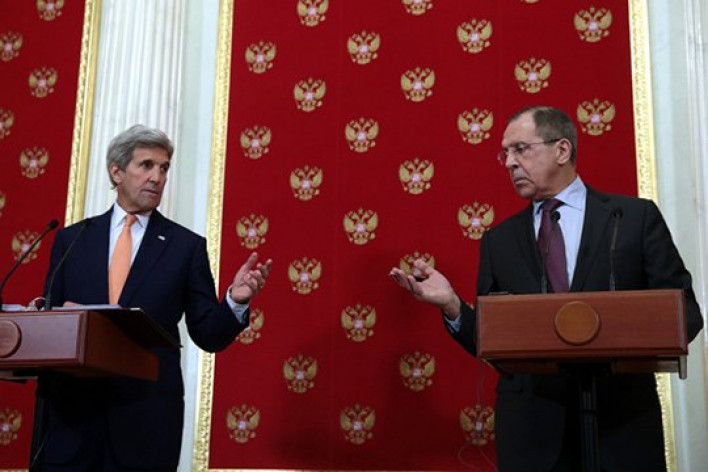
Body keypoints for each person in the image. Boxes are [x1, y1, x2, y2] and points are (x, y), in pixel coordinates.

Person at [390, 106, 703, 472]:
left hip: (620, 426)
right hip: (533, 435)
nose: (510, 162)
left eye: (521, 149)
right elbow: (491, 340)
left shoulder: (632, 219)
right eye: (505, 153)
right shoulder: (499, 241)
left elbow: (686, 313)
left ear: (562, 150)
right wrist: (452, 305)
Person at [37, 125, 272, 471]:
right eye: (146, 165)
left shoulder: (185, 247)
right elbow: (48, 319)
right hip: (72, 419)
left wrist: (235, 301)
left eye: (163, 168)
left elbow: (208, 334)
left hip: (146, 419)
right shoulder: (72, 239)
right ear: (117, 172)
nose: (157, 177)